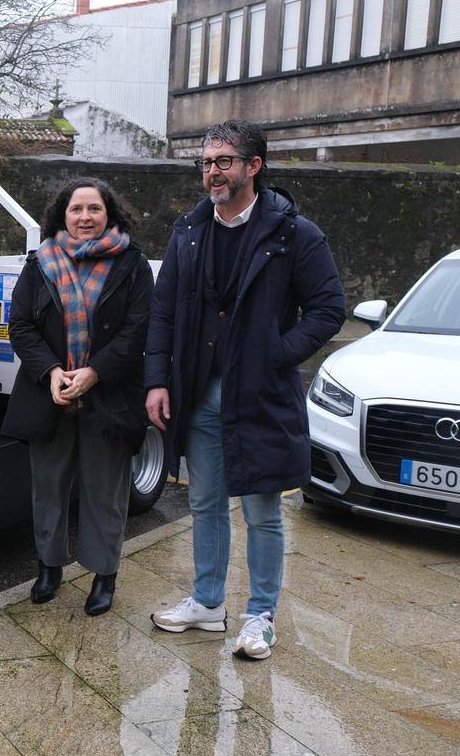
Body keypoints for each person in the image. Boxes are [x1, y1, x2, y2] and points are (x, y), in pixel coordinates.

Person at [145, 120, 345, 659]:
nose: (213, 171)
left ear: (254, 166)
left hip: (259, 396)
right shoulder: (188, 231)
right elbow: (163, 312)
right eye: (207, 162)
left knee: (262, 511)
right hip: (199, 395)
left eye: (224, 161)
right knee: (205, 503)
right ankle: (208, 602)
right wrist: (158, 380)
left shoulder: (293, 233)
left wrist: (274, 354)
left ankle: (260, 616)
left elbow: (328, 311)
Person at [2, 177, 153, 615]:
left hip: (109, 396)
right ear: (62, 215)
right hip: (50, 394)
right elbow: (22, 326)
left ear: (110, 214)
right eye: (76, 209)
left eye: (94, 209)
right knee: (48, 487)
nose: (85, 217)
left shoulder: (132, 264)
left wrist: (95, 372)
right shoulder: (41, 261)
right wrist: (50, 372)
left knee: (106, 492)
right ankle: (49, 567)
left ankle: (104, 576)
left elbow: (137, 330)